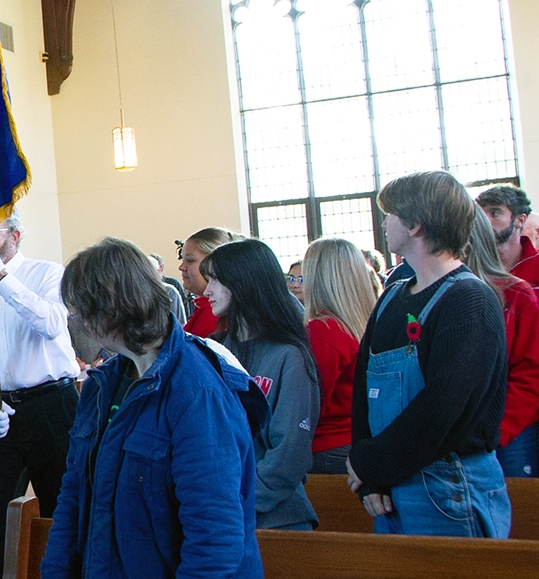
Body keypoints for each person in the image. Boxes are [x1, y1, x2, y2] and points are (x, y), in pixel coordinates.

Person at [42, 238, 266, 578]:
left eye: (83, 309)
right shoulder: (102, 384)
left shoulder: (197, 391)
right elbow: (73, 497)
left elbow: (214, 539)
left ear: (114, 304)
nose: (79, 322)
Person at [349, 171, 510, 537]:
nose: (384, 222)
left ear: (416, 224)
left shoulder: (469, 300)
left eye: (389, 213)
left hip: (447, 485)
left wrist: (371, 464)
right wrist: (369, 475)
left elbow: (443, 407)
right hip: (391, 481)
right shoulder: (392, 295)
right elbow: (364, 388)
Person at [0, 215, 79, 579]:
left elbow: (51, 323)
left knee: (62, 507)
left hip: (51, 406)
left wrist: (0, 279)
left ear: (15, 236)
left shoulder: (48, 273)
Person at [202, 238, 319, 530]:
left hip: (273, 518)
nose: (207, 291)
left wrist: (238, 503)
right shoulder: (212, 350)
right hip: (219, 512)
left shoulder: (288, 356)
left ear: (243, 282)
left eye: (216, 280)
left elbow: (289, 453)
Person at [464, 208, 539, 478]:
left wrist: (497, 429)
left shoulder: (516, 292)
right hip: (450, 432)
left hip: (508, 431)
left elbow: (530, 372)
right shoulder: (424, 289)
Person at [301, 237, 375, 474]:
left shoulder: (325, 331)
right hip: (354, 440)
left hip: (327, 448)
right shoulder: (364, 322)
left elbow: (311, 404)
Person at [177, 227, 242, 337]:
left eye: (190, 260)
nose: (181, 267)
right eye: (182, 260)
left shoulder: (214, 313)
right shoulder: (205, 308)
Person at [476, 184, 539, 286]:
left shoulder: (536, 263)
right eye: (481, 214)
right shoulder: (472, 265)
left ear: (520, 220)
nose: (485, 220)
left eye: (494, 213)